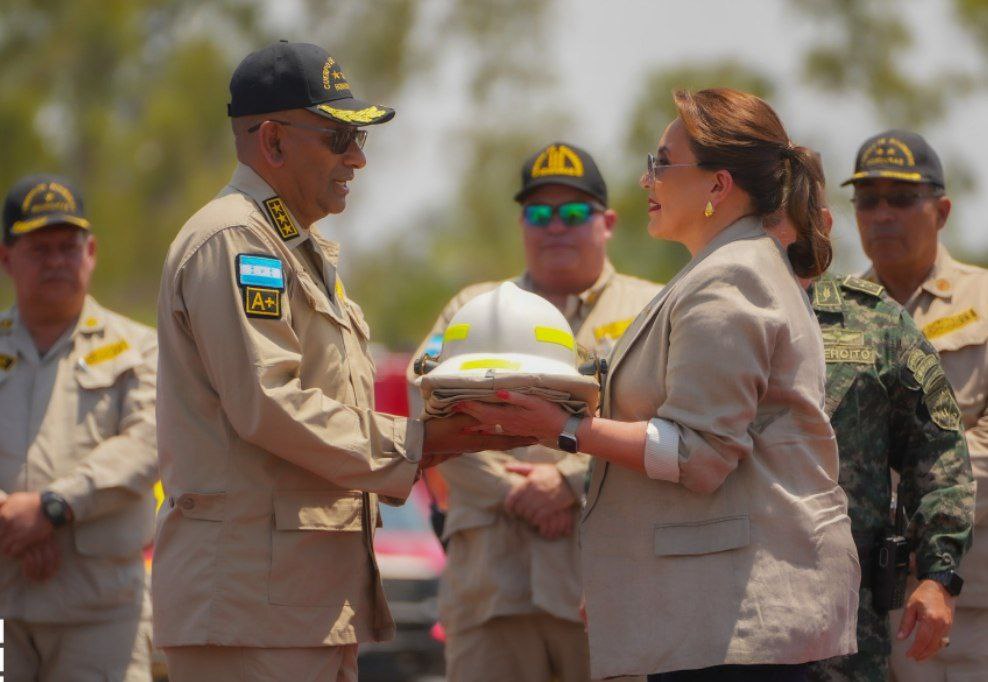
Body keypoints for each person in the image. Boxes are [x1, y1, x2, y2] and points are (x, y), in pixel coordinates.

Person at [152, 41, 529, 682]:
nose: (357, 158)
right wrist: (414, 441)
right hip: (252, 608)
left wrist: (437, 438)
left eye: (359, 140)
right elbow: (268, 403)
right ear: (272, 142)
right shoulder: (237, 242)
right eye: (336, 138)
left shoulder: (293, 248)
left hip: (292, 605)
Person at [454, 88, 860, 680]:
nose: (647, 180)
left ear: (718, 187)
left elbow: (699, 454)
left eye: (661, 163)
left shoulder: (730, 279)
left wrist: (564, 430)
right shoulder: (725, 269)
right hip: (715, 615)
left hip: (738, 625)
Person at [407, 141, 661, 682]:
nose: (555, 227)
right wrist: (514, 492)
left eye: (574, 213)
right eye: (539, 213)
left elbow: (669, 428)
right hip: (491, 590)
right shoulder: (474, 310)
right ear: (522, 222)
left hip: (607, 591)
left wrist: (570, 482)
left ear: (608, 222)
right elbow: (423, 406)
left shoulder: (651, 309)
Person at [763, 157, 975, 682]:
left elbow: (939, 455)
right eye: (762, 212)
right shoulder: (701, 320)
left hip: (845, 628)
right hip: (724, 615)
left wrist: (937, 576)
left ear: (823, 221)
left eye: (788, 210)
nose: (771, 228)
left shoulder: (877, 323)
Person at [843, 130, 988, 682]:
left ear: (942, 210)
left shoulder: (983, 303)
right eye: (867, 199)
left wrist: (904, 504)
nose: (882, 214)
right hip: (855, 600)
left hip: (964, 600)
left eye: (901, 199)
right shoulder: (833, 314)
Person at [0, 174, 158, 681]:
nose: (56, 261)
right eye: (39, 248)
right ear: (6, 258)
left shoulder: (141, 349)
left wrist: (52, 508)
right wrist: (10, 519)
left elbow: (148, 444)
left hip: (101, 616)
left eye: (68, 247)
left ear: (91, 252)